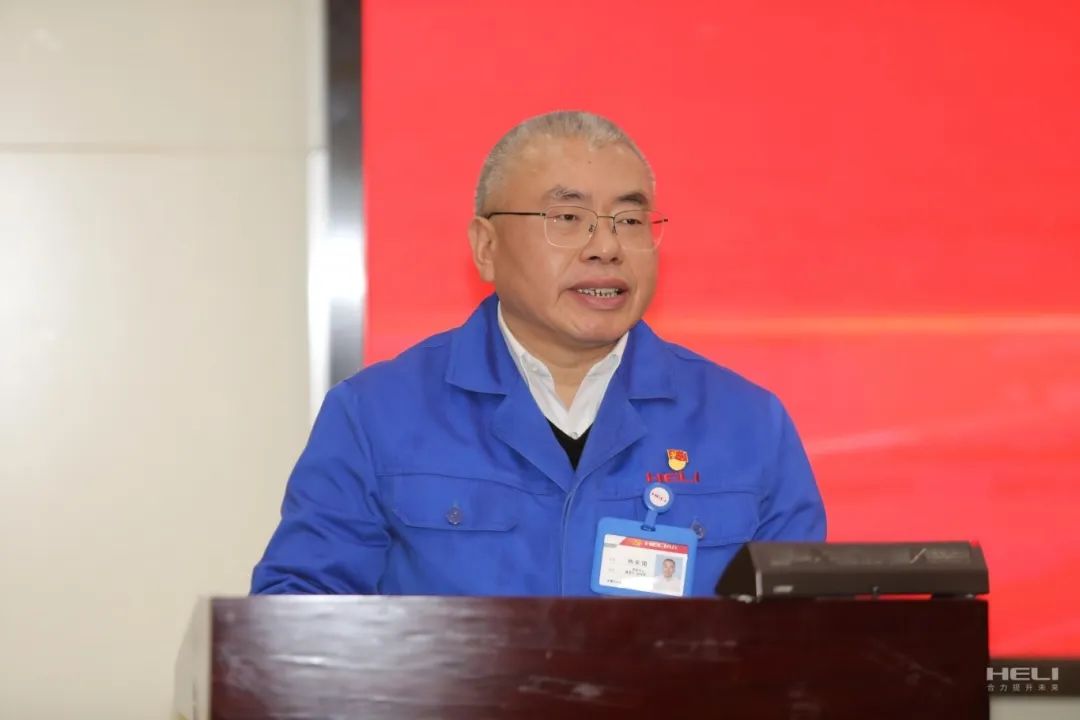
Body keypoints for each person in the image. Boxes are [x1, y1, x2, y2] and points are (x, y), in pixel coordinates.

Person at [251, 110, 826, 596]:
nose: (606, 247)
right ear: (487, 247)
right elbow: (297, 627)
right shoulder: (375, 415)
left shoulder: (748, 424)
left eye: (630, 220)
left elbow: (806, 642)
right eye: (568, 219)